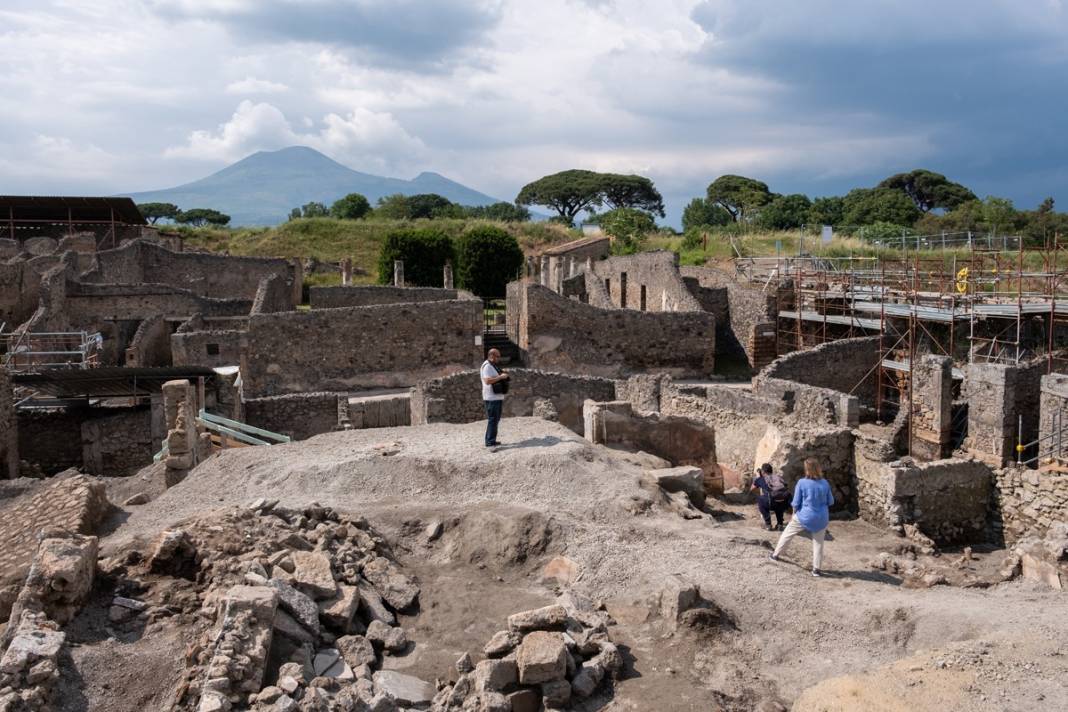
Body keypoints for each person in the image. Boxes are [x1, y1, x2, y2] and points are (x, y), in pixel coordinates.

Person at [769, 457, 834, 577]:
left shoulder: (802, 482)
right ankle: (816, 570)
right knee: (818, 544)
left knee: (787, 533)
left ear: (807, 469)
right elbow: (831, 502)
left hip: (805, 515)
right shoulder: (825, 483)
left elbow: (795, 502)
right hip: (821, 518)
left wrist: (794, 514)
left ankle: (776, 555)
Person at [480, 348, 509, 447]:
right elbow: (487, 381)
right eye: (497, 356)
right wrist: (501, 377)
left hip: (496, 397)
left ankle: (492, 440)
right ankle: (489, 442)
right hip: (491, 398)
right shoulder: (487, 366)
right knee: (493, 419)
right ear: (491, 356)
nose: (499, 358)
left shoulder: (492, 366)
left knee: (495, 419)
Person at [750, 463, 789, 531]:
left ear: (763, 471)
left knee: (760, 499)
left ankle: (768, 525)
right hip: (784, 502)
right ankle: (780, 524)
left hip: (770, 502)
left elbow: (752, 489)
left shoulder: (761, 479)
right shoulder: (778, 477)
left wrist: (757, 479)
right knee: (778, 500)